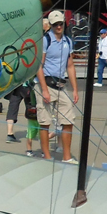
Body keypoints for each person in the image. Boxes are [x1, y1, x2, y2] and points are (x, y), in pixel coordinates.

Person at [36, 10, 78, 162]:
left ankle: (67, 156)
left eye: (60, 24)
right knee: (45, 121)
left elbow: (70, 65)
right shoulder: (46, 40)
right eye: (55, 25)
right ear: (51, 25)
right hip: (45, 83)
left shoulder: (67, 41)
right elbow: (39, 66)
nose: (58, 27)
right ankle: (46, 155)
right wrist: (44, 90)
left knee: (68, 120)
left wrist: (75, 89)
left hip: (61, 84)